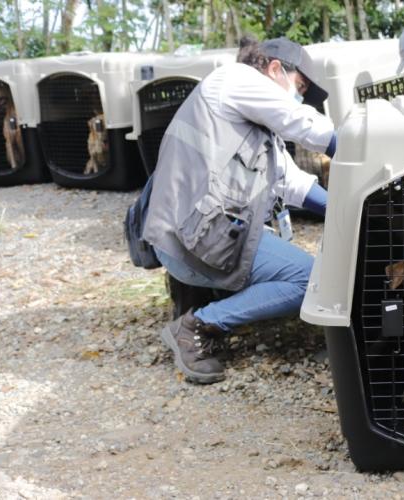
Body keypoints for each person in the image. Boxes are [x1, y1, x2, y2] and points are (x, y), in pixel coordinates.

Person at [143, 37, 337, 384]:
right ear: (275, 69)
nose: (298, 97)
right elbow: (302, 123)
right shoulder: (234, 79)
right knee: (308, 279)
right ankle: (196, 327)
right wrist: (357, 146)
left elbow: (293, 183)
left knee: (294, 265)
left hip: (200, 234)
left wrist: (342, 208)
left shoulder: (256, 125)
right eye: (300, 87)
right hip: (187, 240)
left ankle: (210, 303)